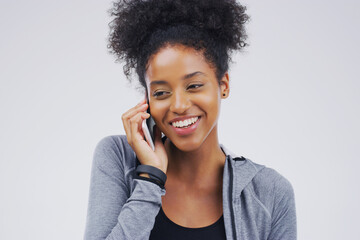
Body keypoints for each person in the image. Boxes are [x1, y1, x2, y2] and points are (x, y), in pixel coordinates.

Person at [84, 0, 297, 239]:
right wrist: (151, 178)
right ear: (146, 100)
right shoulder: (119, 157)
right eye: (161, 93)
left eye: (194, 86)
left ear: (223, 85)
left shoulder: (271, 193)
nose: (178, 106)